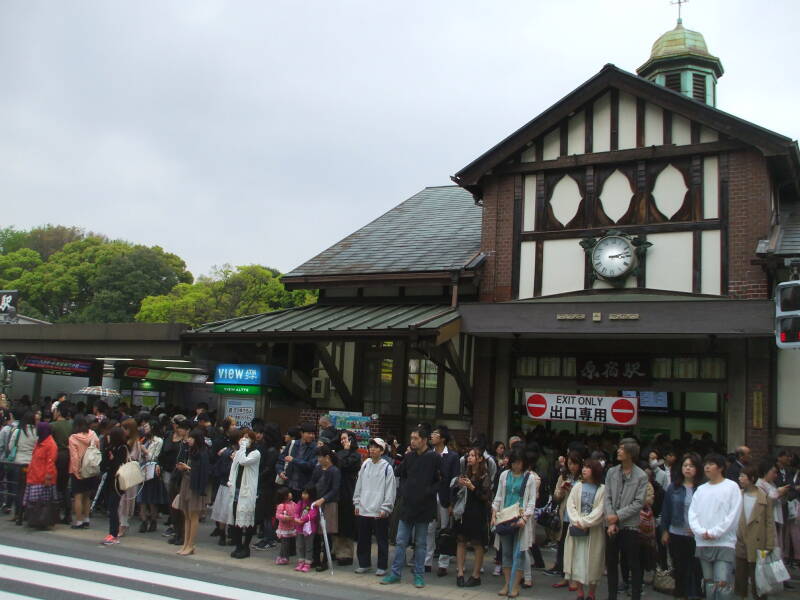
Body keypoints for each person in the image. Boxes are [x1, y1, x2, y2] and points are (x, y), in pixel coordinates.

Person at [382, 427, 441, 589]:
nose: (412, 441)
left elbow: (440, 480)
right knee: (400, 541)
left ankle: (419, 575)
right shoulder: (409, 457)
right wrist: (405, 490)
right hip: (408, 504)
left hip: (424, 506)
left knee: (421, 543)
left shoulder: (434, 458)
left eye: (415, 438)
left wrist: (429, 491)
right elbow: (400, 472)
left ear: (423, 440)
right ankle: (395, 573)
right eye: (411, 438)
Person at [688, 453, 742, 600]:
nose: (707, 467)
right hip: (703, 541)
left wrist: (715, 532)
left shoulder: (732, 487)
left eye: (711, 464)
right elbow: (692, 513)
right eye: (706, 464)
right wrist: (700, 531)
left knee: (722, 582)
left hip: (724, 542)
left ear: (721, 468)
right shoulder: (701, 489)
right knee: (708, 583)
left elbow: (733, 515)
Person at [604, 439, 648, 600]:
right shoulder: (612, 472)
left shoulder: (641, 476)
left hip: (630, 526)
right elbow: (607, 496)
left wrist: (618, 516)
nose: (618, 451)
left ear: (630, 453)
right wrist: (611, 519)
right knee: (611, 562)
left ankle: (635, 595)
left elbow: (638, 503)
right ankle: (611, 595)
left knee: (633, 563)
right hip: (610, 525)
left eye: (622, 449)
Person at [491, 446, 537, 598]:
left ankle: (515, 585)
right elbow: (498, 496)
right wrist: (494, 514)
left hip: (520, 519)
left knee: (519, 554)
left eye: (519, 462)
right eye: (514, 462)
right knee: (506, 553)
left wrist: (525, 518)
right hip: (504, 517)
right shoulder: (504, 475)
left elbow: (531, 502)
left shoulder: (529, 478)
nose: (516, 465)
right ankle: (507, 583)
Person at [662, 452, 704, 600]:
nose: (688, 469)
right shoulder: (674, 487)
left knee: (695, 568)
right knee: (679, 568)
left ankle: (695, 594)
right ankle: (680, 595)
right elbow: (666, 510)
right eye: (685, 465)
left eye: (691, 466)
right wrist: (665, 531)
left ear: (698, 468)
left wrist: (699, 529)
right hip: (676, 532)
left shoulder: (703, 488)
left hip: (696, 535)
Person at [563, 459, 606, 600]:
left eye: (588, 467)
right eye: (584, 467)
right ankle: (580, 592)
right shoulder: (577, 486)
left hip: (593, 530)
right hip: (577, 528)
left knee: (593, 560)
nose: (584, 470)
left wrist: (584, 522)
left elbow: (600, 510)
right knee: (577, 559)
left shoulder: (602, 489)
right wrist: (577, 521)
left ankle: (592, 592)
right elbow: (571, 505)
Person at [353, 437, 396, 576]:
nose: (372, 449)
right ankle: (364, 563)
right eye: (371, 446)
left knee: (381, 539)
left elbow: (390, 489)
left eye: (376, 447)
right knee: (363, 538)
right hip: (364, 508)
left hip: (379, 510)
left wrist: (386, 508)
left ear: (382, 450)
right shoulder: (365, 464)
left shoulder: (387, 468)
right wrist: (357, 502)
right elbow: (359, 484)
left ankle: (382, 566)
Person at [735, 464, 776, 600]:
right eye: (740, 475)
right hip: (740, 541)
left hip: (758, 543)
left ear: (752, 478)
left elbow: (769, 522)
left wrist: (770, 544)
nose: (740, 478)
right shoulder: (737, 495)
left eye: (743, 476)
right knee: (740, 577)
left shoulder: (764, 498)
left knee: (758, 578)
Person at [453, 447, 492, 588]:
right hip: (464, 511)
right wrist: (458, 484)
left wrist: (472, 487)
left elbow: (485, 497)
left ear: (480, 459)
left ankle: (476, 575)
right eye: (468, 455)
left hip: (478, 513)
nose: (469, 458)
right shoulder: (465, 472)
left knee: (477, 543)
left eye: (472, 456)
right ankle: (460, 573)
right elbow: (457, 491)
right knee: (461, 540)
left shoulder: (484, 475)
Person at [425, 425, 460, 577]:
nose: (432, 436)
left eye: (435, 434)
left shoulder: (452, 456)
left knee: (445, 530)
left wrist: (453, 502)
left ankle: (443, 564)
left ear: (443, 439)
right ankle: (426, 561)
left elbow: (455, 480)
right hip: (430, 497)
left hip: (445, 496)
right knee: (429, 529)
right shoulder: (428, 454)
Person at [548, 450, 583, 584]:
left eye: (575, 463)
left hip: (577, 517)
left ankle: (574, 575)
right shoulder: (563, 477)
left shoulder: (583, 478)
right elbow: (556, 497)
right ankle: (564, 573)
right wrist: (562, 489)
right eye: (570, 463)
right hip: (564, 516)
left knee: (575, 546)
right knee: (562, 544)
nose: (572, 466)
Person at [225, 428, 261, 559]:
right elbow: (234, 466)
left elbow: (243, 461)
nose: (245, 440)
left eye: (248, 437)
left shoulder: (256, 453)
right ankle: (238, 546)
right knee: (235, 519)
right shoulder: (240, 451)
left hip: (247, 490)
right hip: (236, 488)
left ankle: (246, 547)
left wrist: (242, 448)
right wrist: (230, 481)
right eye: (242, 437)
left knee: (247, 519)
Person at [176, 428, 210, 556]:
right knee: (186, 515)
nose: (188, 440)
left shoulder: (203, 453)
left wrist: (187, 468)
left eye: (191, 438)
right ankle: (186, 544)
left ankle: (191, 544)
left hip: (195, 487)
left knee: (193, 515)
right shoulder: (190, 451)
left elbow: (203, 473)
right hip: (186, 483)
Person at [309, 444, 341, 571]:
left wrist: (323, 499)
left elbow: (335, 489)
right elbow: (312, 482)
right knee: (316, 534)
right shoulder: (318, 469)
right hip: (316, 503)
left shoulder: (335, 470)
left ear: (327, 457)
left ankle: (325, 561)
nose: (318, 459)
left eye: (320, 457)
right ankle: (315, 558)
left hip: (329, 504)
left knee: (326, 534)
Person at [252, 423, 281, 550]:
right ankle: (269, 537)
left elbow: (268, 469)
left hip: (268, 485)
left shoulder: (271, 451)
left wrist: (257, 476)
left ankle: (269, 538)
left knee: (268, 513)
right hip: (269, 484)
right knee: (267, 513)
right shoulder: (273, 449)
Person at [68, 413, 100, 529]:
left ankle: (79, 521)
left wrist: (77, 472)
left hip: (79, 470)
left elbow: (74, 457)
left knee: (78, 496)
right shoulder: (93, 434)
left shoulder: (73, 438)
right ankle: (86, 519)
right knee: (87, 496)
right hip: (91, 469)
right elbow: (97, 449)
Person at [23, 422, 58, 528]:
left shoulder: (50, 444)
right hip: (34, 475)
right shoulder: (40, 442)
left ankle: (42, 521)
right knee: (34, 502)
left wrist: (48, 476)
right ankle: (35, 520)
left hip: (42, 478)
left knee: (43, 503)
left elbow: (50, 462)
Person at [334, 430, 360, 566]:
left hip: (349, 491)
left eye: (345, 438)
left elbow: (343, 465)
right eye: (341, 439)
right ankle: (335, 550)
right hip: (337, 491)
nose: (343, 441)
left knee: (346, 523)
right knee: (336, 521)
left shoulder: (355, 456)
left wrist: (345, 451)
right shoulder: (339, 453)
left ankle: (346, 553)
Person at [138, 418, 168, 533]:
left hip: (152, 471)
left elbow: (154, 457)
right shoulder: (144, 439)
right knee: (141, 498)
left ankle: (153, 520)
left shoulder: (158, 441)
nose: (144, 429)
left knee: (151, 498)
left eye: (147, 427)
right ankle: (144, 521)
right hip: (142, 469)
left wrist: (144, 450)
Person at [162, 419, 189, 546]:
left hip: (184, 478)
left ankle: (182, 535)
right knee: (174, 506)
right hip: (175, 475)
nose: (179, 430)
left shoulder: (189, 444)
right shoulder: (182, 443)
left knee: (182, 508)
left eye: (181, 428)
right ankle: (178, 533)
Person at [100, 426, 127, 545]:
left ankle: (114, 534)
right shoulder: (109, 448)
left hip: (118, 483)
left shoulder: (123, 448)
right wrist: (108, 456)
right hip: (109, 481)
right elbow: (103, 465)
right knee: (111, 507)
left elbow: (118, 465)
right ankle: (111, 533)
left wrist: (112, 459)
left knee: (113, 507)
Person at [9, 410, 37, 525]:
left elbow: (11, 446)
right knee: (28, 489)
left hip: (19, 462)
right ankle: (26, 513)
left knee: (19, 489)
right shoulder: (36, 432)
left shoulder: (18, 431)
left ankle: (18, 514)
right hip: (31, 463)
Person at [117, 418, 142, 537]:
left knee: (125, 500)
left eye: (125, 429)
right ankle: (122, 523)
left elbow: (138, 456)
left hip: (129, 471)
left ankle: (123, 524)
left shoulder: (135, 443)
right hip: (126, 471)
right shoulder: (129, 441)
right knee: (123, 499)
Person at [50, 402, 73, 524]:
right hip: (68, 456)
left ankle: (55, 512)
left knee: (54, 484)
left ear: (58, 412)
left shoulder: (53, 426)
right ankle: (68, 513)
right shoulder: (71, 426)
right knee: (64, 486)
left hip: (56, 456)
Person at [283, 423, 318, 500]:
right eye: (309, 433)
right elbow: (281, 459)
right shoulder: (293, 444)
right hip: (289, 485)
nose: (312, 436)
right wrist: (280, 471)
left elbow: (310, 465)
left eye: (313, 433)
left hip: (304, 488)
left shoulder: (315, 448)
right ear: (302, 433)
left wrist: (293, 460)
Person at [294, 484, 320, 572]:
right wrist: (297, 518)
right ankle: (301, 561)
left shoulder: (313, 504)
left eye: (306, 494)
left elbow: (313, 514)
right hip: (299, 528)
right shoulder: (300, 502)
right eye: (303, 493)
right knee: (300, 545)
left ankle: (308, 562)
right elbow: (296, 512)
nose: (303, 495)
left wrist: (303, 519)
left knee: (309, 546)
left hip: (309, 529)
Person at [275, 486, 297, 565]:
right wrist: (285, 517)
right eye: (289, 493)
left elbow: (296, 512)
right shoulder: (281, 505)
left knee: (287, 543)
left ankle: (283, 556)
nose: (291, 494)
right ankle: (284, 557)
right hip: (284, 528)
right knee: (284, 543)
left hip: (291, 527)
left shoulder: (293, 504)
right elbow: (277, 515)